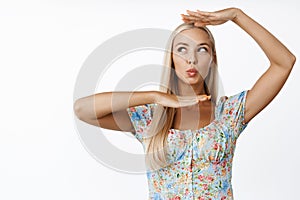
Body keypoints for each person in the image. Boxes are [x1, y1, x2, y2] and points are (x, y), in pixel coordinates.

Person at [73, 7, 296, 200]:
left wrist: (237, 16)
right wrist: (154, 96)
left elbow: (284, 63)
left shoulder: (229, 113)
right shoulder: (150, 118)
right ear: (171, 58)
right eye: (182, 49)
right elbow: (83, 109)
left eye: (202, 49)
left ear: (212, 59)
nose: (192, 59)